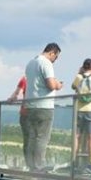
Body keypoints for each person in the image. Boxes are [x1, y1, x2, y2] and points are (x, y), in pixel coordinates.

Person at [24, 43, 64, 172]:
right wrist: (58, 85)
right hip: (44, 106)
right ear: (52, 53)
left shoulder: (30, 63)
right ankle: (39, 166)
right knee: (42, 137)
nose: (55, 60)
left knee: (32, 136)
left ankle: (30, 165)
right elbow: (51, 85)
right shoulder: (46, 63)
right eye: (56, 57)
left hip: (30, 105)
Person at [7, 76, 29, 166]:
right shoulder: (42, 79)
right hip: (38, 113)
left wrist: (11, 98)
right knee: (38, 140)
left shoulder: (25, 79)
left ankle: (30, 164)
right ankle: (37, 165)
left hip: (25, 113)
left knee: (27, 140)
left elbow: (17, 94)